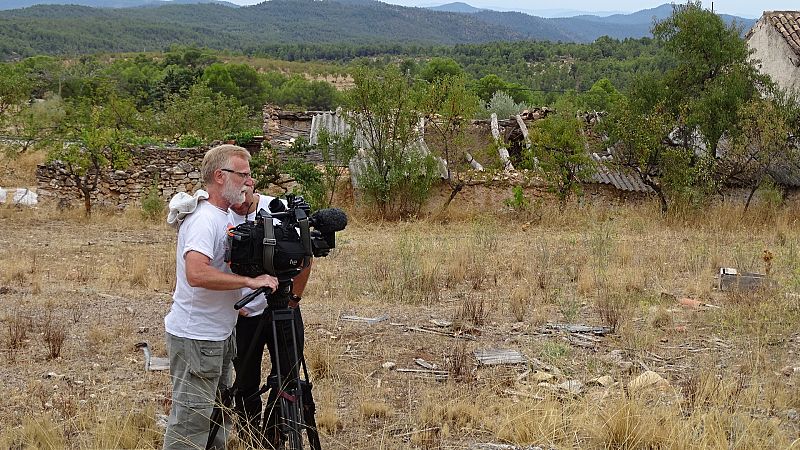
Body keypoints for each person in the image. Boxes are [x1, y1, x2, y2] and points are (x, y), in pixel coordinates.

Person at [163, 145, 280, 450]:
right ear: (219, 177)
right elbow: (197, 274)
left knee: (217, 417)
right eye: (243, 174)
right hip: (197, 337)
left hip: (218, 335)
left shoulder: (222, 215)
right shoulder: (205, 220)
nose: (248, 181)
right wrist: (247, 282)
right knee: (191, 423)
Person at [228, 187, 312, 446]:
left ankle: (274, 436)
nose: (239, 207)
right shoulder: (220, 214)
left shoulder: (278, 209)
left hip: (284, 309)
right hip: (243, 313)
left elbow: (305, 258)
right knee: (244, 382)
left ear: (251, 183)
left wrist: (293, 299)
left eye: (244, 201)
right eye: (235, 203)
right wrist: (230, 301)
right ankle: (249, 437)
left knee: (287, 381)